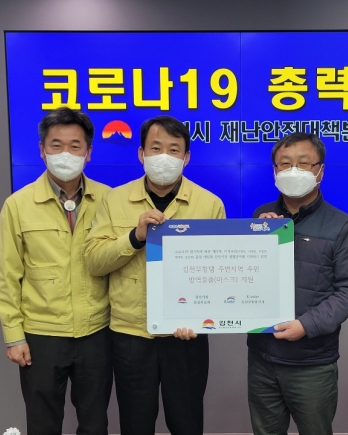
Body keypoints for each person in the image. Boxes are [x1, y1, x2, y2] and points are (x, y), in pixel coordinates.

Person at [83, 115, 225, 435]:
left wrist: (201, 317)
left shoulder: (209, 204)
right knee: (135, 424)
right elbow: (94, 261)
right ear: (141, 154)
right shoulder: (114, 200)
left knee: (187, 423)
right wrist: (135, 237)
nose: (164, 157)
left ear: (186, 157)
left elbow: (217, 274)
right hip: (132, 334)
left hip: (186, 336)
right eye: (156, 148)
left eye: (174, 150)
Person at [0, 107, 112, 435]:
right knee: (43, 423)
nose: (65, 154)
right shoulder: (18, 205)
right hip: (41, 334)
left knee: (95, 423)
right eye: (56, 145)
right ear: (42, 150)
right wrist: (14, 336)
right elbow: (6, 276)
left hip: (96, 331)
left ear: (88, 152)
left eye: (75, 146)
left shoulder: (109, 200)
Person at [247, 132, 348, 435]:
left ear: (320, 171)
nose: (293, 171)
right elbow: (247, 277)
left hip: (312, 362)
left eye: (303, 164)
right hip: (262, 356)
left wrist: (306, 325)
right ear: (274, 170)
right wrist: (262, 238)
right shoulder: (261, 216)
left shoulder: (344, 226)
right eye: (285, 164)